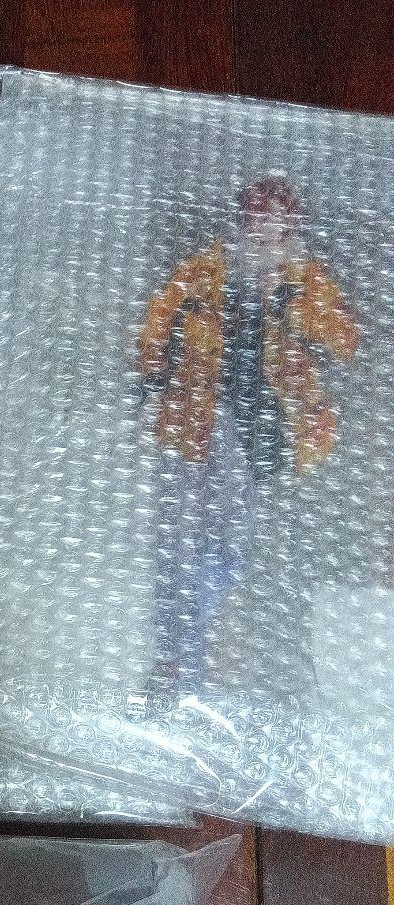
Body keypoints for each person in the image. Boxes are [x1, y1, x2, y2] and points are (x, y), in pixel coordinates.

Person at [138, 176, 358, 690]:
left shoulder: (307, 283)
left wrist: (290, 307)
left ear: (291, 232)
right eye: (257, 222)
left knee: (230, 550)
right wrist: (152, 383)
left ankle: (184, 644)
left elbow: (344, 342)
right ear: (242, 226)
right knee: (178, 542)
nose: (265, 234)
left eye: (277, 226)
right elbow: (155, 329)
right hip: (195, 419)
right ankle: (180, 665)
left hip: (263, 428)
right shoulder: (203, 273)